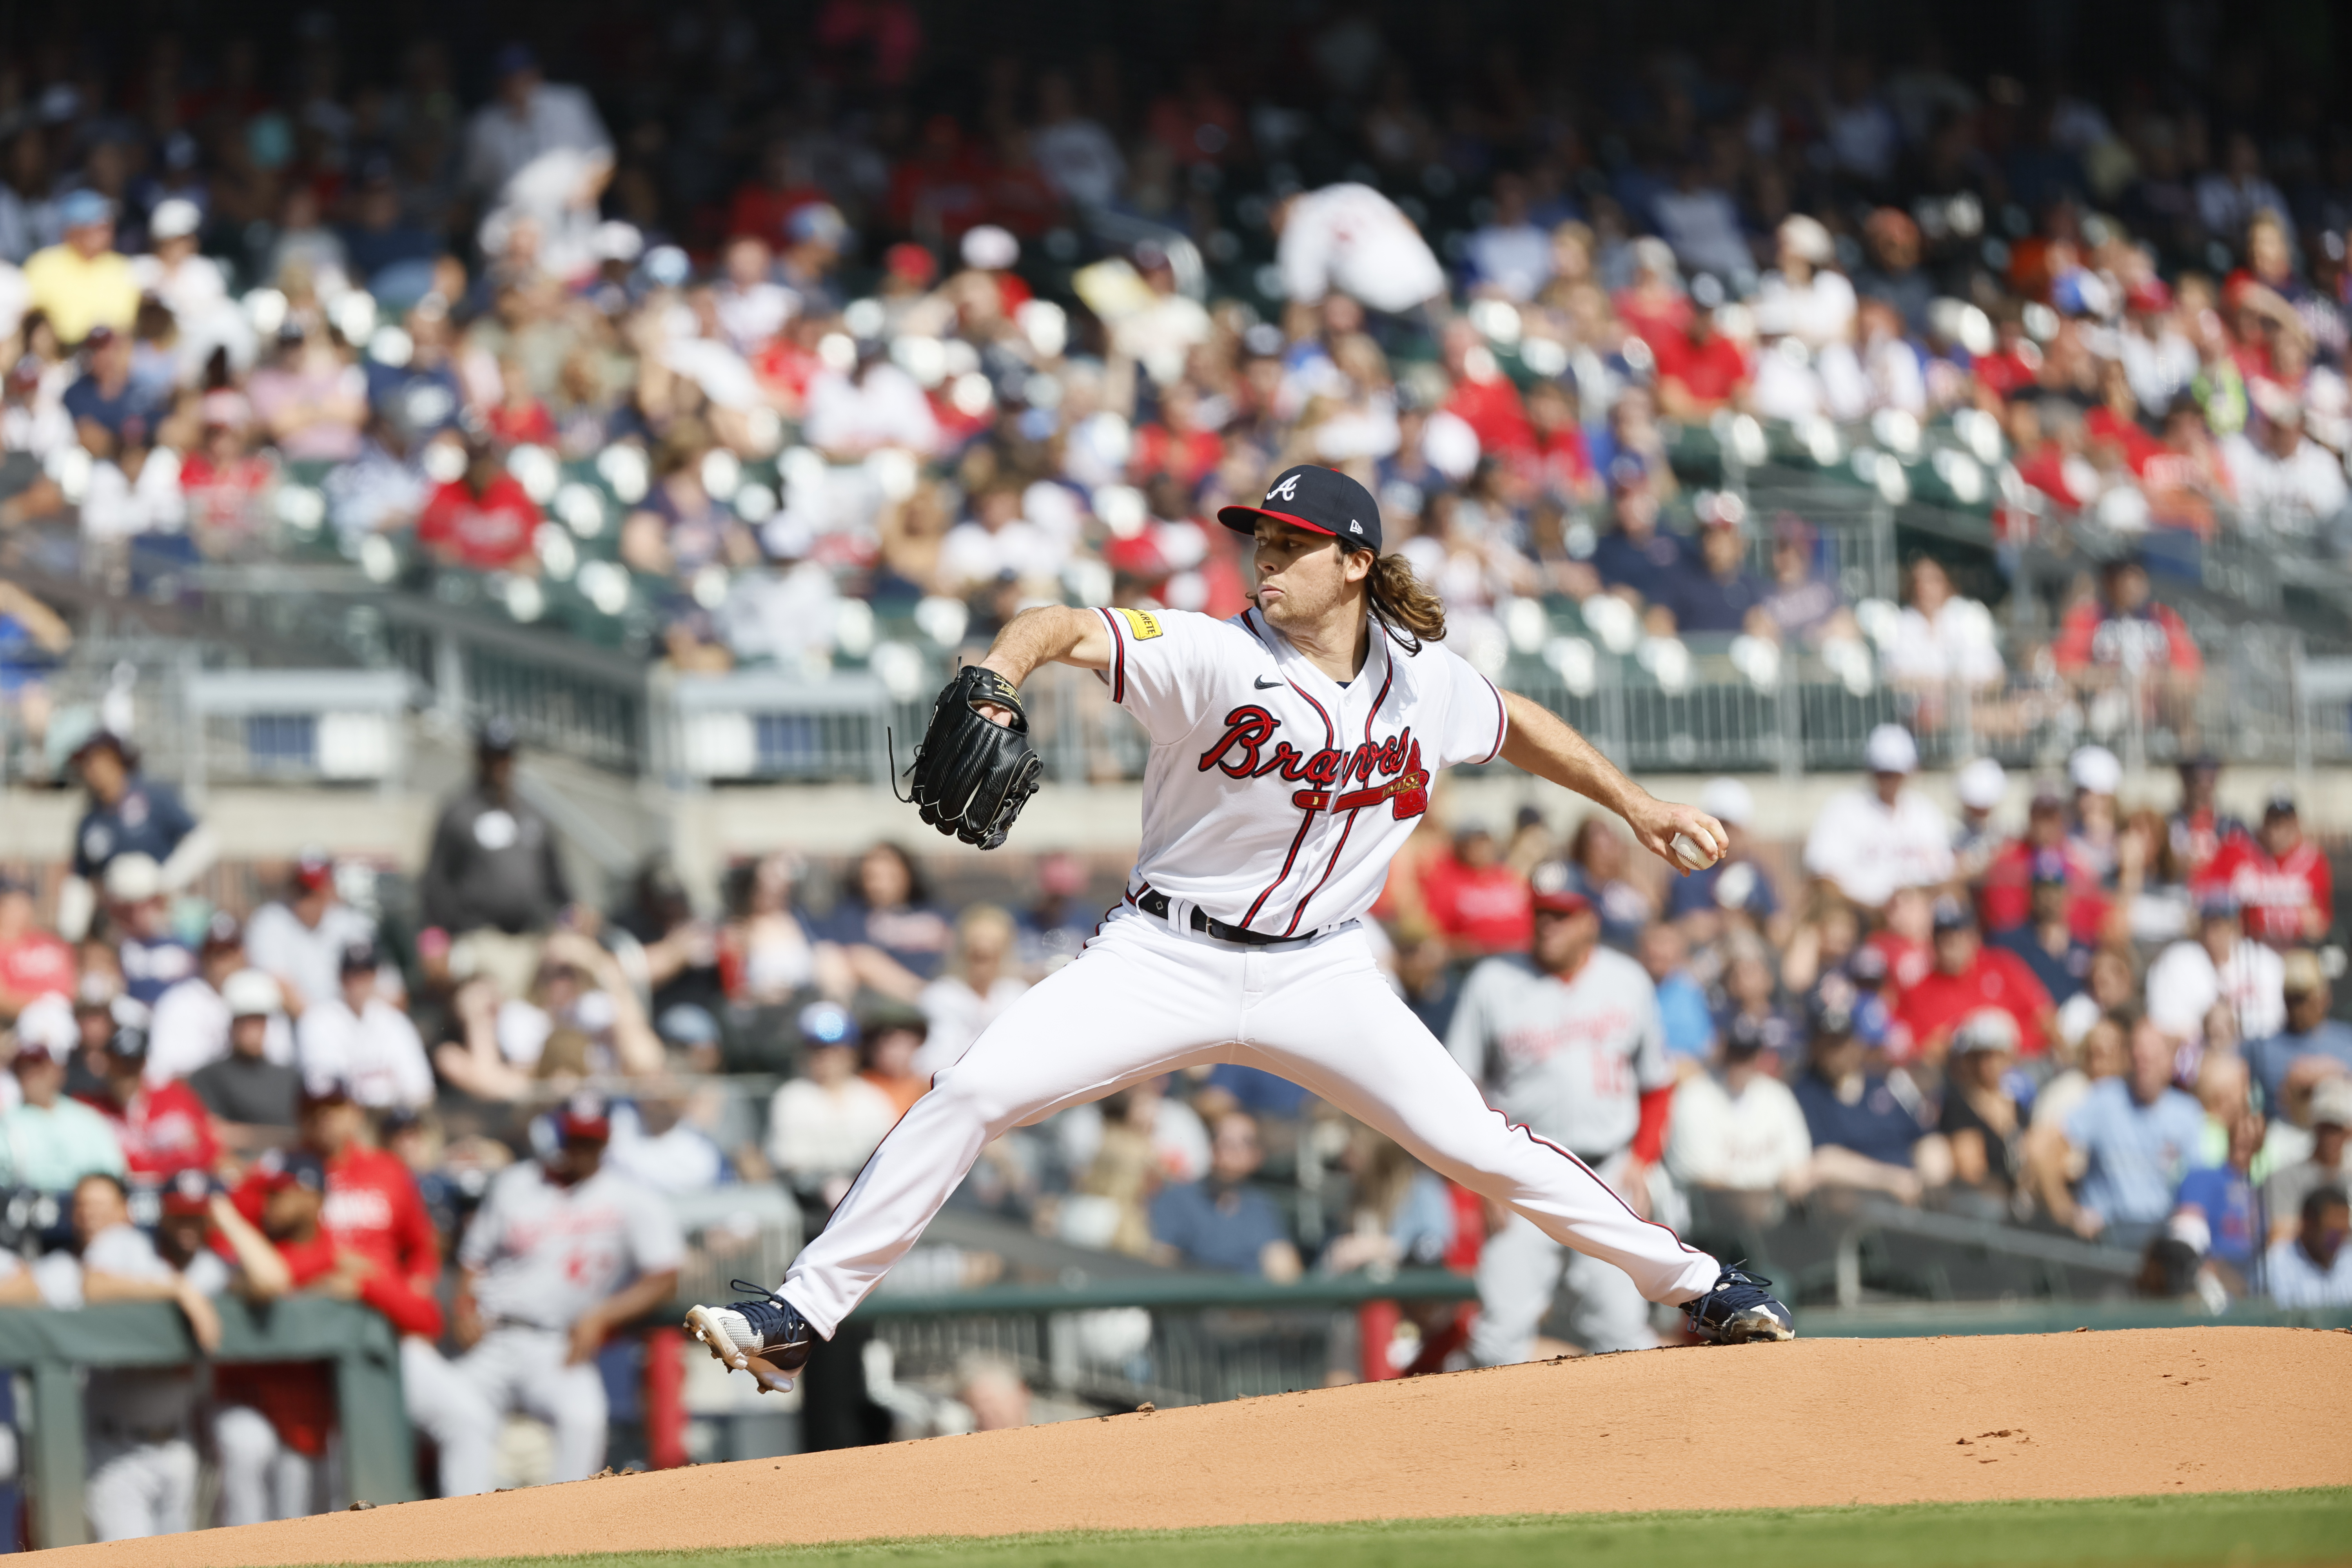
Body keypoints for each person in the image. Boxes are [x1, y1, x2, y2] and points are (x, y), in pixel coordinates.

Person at [686, 462, 1789, 1396]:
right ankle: (800, 1315)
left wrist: (1637, 805)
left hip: (1324, 972)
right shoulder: (1212, 653)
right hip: (1163, 954)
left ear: (1356, 562)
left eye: (1295, 544)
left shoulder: (1422, 685)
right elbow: (1063, 624)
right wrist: (994, 676)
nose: (1268, 557)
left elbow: (1517, 727)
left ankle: (1701, 1288)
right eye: (1260, 538)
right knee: (971, 1091)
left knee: (1478, 1145)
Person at [1448, 868, 1676, 1361]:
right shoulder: (1493, 981)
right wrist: (1481, 1178)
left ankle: (1634, 1439)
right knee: (1497, 1340)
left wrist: (1641, 1160)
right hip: (1521, 1172)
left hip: (1607, 1170)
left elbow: (1657, 1086)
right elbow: (1457, 1090)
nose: (1548, 925)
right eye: (1542, 914)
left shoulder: (1627, 980)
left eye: (1562, 915)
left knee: (1623, 1333)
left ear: (1590, 921)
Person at [453, 1095, 682, 1486]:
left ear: (606, 1141)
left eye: (591, 1140)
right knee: (453, 1414)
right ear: (559, 1135)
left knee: (583, 1418)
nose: (581, 1149)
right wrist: (463, 1307)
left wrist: (601, 1315)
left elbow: (665, 1276)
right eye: (575, 1138)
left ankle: (569, 1530)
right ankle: (454, 1530)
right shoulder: (518, 1183)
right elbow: (473, 1261)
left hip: (559, 1343)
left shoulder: (630, 1197)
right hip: (495, 1336)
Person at [53, 1172, 222, 1541]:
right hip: (116, 1446)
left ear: (127, 1210)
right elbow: (95, 1286)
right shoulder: (121, 1246)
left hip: (179, 1441)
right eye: (83, 1206)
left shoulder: (206, 1264)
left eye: (102, 1206)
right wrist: (177, 1289)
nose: (91, 1216)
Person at [419, 718, 573, 1002]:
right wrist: (432, 942)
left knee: (584, 972)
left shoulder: (532, 815)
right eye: (492, 756)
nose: (499, 764)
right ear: (479, 758)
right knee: (508, 998)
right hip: (480, 938)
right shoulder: (458, 814)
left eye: (505, 756)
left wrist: (570, 919)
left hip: (534, 937)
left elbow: (558, 886)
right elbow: (435, 885)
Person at [2050, 1008, 2211, 1247]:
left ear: (2169, 1061)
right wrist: (2067, 1212)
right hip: (2102, 1233)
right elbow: (2044, 1148)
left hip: (2158, 1233)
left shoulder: (2187, 1113)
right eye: (2138, 1058)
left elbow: (2199, 1178)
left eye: (2152, 1059)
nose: (2143, 1066)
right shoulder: (2105, 1098)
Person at [55, 730, 213, 944]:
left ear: (117, 761)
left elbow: (204, 839)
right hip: (120, 928)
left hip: (165, 918)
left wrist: (163, 883)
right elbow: (80, 878)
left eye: (98, 761)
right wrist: (71, 932)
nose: (93, 771)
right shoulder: (90, 822)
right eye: (86, 765)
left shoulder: (154, 797)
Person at [1791, 998, 1949, 1203]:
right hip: (1855, 1201)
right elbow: (1825, 1160)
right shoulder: (1805, 1094)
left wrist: (1930, 1182)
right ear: (1815, 1047)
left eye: (1846, 1041)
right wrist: (1892, 1180)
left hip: (1913, 1194)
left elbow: (1927, 1139)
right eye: (1831, 1044)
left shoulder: (1887, 1084)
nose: (1841, 1051)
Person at [766, 1003, 898, 1227]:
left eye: (836, 1049)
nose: (827, 1057)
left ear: (852, 1053)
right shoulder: (791, 1097)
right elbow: (792, 1164)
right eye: (818, 1049)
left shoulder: (873, 1098)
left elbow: (889, 1156)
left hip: (866, 1192)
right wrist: (831, 1183)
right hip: (809, 1204)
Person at [1801, 724, 1954, 910]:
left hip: (1916, 918)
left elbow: (1943, 877)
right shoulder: (1843, 810)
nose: (1890, 780)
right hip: (1860, 917)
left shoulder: (1926, 813)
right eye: (1883, 773)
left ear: (1911, 770)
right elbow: (1824, 880)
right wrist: (1875, 912)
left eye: (1895, 773)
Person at [1664, 1016, 1813, 1197]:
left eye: (1748, 1054)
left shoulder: (1777, 1096)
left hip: (1773, 1215)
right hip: (1710, 1218)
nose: (1740, 1063)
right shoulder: (1693, 1098)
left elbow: (1799, 1168)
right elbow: (1706, 1183)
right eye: (1734, 1053)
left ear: (1760, 1055)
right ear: (1721, 1049)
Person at [1893, 898, 2056, 1062]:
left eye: (1959, 935)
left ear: (1974, 936)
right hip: (1961, 1076)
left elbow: (2045, 1015)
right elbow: (1917, 1054)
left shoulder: (2002, 965)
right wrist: (1958, 1036)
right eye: (1944, 937)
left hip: (2026, 1062)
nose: (1951, 943)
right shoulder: (1916, 993)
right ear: (1932, 942)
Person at [1147, 1110, 1303, 1280]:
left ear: (1258, 1155)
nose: (1235, 1150)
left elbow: (1283, 1267)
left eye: (1245, 1143)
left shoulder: (1261, 1206)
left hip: (1251, 1301)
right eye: (1227, 1142)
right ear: (1212, 1147)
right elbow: (1161, 1263)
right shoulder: (1177, 1200)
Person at [295, 942, 432, 1111]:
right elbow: (323, 1089)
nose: (359, 982)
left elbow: (420, 1089)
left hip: (395, 1118)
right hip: (348, 1118)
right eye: (353, 974)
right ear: (341, 977)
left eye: (366, 974)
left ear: (375, 976)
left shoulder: (394, 1020)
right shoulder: (317, 1020)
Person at [2145, 890, 2285, 1049]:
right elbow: (2164, 1025)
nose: (2215, 935)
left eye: (2223, 925)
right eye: (2209, 926)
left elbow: (2277, 1021)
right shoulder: (2177, 961)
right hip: (2197, 1055)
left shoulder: (2265, 962)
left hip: (2258, 1053)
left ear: (2236, 927)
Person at [244, 851, 379, 1011]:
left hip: (346, 1024)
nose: (306, 901)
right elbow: (277, 985)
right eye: (302, 890)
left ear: (329, 889)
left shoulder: (352, 923)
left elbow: (390, 991)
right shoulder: (269, 921)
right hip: (293, 1026)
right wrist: (318, 1026)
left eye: (314, 892)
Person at [81, 1023, 217, 1180]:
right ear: (106, 1061)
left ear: (144, 1062)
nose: (126, 1070)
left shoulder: (177, 1097)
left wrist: (157, 1168)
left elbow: (209, 1149)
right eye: (118, 1061)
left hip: (178, 1190)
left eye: (133, 1063)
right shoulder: (89, 1109)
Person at [188, 970, 303, 1153]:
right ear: (232, 1023)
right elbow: (212, 1133)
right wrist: (285, 1138)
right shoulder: (208, 1077)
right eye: (245, 1020)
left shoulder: (290, 1078)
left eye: (258, 1020)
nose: (252, 1029)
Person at [2201, 791, 2332, 947]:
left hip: (2296, 948)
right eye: (2272, 821)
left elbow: (2321, 925)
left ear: (2296, 824)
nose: (2276, 830)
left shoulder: (2313, 860)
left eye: (2283, 822)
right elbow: (2209, 898)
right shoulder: (2243, 853)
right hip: (2250, 947)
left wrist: (2307, 923)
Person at [0, 1029, 125, 1191]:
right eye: (23, 1070)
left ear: (57, 1071)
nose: (32, 1076)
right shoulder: (7, 1124)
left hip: (85, 1208)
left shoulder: (86, 1118)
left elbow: (114, 1174)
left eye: (39, 1069)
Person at [915, 905, 1029, 1075]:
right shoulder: (941, 995)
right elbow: (934, 1062)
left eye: (991, 955)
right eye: (977, 956)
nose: (983, 965)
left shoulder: (1017, 994)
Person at [2245, 952, 2352, 1118]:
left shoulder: (2347, 1040)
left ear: (2324, 997)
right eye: (2292, 998)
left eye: (2304, 998)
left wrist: (2337, 1074)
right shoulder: (2261, 1048)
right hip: (2283, 1134)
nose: (2298, 1008)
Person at [1937, 1011, 2027, 1203]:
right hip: (1983, 1204)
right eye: (1978, 1056)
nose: (1986, 1064)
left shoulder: (2018, 1106)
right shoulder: (1958, 1103)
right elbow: (1971, 1172)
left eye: (1995, 1055)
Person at [1417, 822, 1534, 960]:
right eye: (1473, 843)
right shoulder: (1447, 882)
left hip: (1523, 954)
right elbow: (1437, 936)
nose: (1481, 848)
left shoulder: (1508, 876)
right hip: (1473, 961)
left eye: (1484, 841)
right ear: (1461, 847)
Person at [2263, 1077, 2351, 1249]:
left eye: (2337, 1128)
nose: (2330, 1137)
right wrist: (2333, 1226)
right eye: (2325, 1127)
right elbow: (2278, 1236)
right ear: (2314, 1127)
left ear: (2348, 1132)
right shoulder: (2284, 1178)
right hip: (2300, 1268)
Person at [0, 872, 74, 1022]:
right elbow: (3, 1000)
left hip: (65, 1014)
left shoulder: (51, 942)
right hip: (24, 1020)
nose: (20, 910)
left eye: (24, 902)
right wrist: (42, 1005)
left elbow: (73, 986)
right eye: (12, 904)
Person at [2265, 1186, 2352, 1308]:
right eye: (2333, 1233)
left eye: (2343, 1233)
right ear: (2309, 1223)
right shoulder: (2274, 1266)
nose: (2338, 1240)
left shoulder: (2348, 1260)